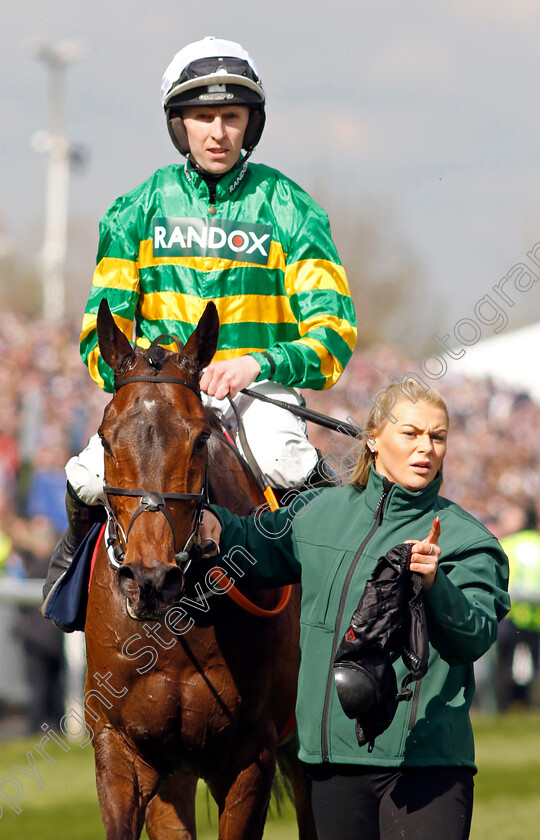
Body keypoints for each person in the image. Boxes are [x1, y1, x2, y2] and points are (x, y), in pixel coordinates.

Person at [43, 36, 356, 605]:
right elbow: (96, 334)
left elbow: (334, 335)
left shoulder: (294, 210)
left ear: (250, 124)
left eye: (231, 117)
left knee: (293, 464)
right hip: (159, 393)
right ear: (179, 124)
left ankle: (336, 600)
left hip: (255, 389)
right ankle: (73, 584)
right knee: (85, 477)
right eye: (203, 117)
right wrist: (151, 376)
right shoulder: (134, 209)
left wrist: (256, 362)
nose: (218, 132)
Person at [199, 380, 510, 840]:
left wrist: (435, 582)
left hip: (426, 766)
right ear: (373, 438)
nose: (425, 447)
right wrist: (211, 525)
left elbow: (473, 637)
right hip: (330, 767)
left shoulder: (468, 540)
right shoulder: (317, 512)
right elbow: (252, 546)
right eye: (411, 433)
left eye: (437, 436)